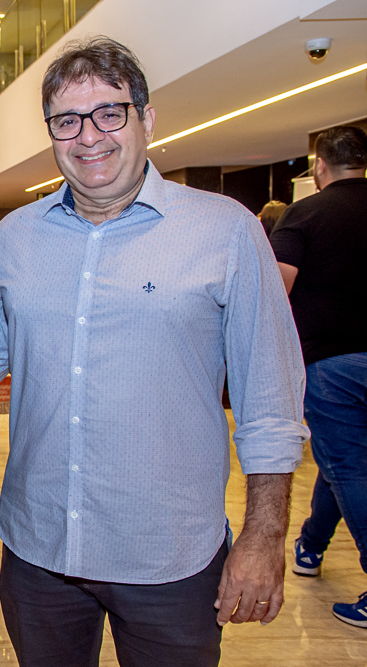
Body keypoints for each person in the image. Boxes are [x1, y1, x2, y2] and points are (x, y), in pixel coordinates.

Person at [0, 37, 308, 666]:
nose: (88, 136)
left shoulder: (225, 230)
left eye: (109, 113)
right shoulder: (16, 237)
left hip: (170, 559)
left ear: (146, 118)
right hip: (39, 551)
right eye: (67, 120)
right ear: (51, 134)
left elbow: (271, 400)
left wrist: (264, 537)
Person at [271, 125, 367, 627]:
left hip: (331, 363)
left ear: (319, 166)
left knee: (348, 466)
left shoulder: (306, 213)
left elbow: (276, 290)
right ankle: (310, 547)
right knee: (340, 464)